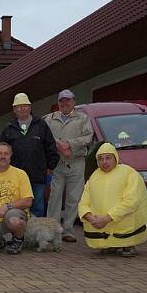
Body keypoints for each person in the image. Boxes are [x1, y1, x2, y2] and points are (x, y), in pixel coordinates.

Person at [78, 143, 147, 257]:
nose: (104, 162)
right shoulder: (93, 177)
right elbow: (83, 202)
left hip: (124, 225)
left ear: (115, 158)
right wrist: (91, 218)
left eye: (108, 158)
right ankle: (109, 244)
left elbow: (131, 201)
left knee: (127, 214)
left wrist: (107, 218)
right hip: (99, 225)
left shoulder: (129, 173)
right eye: (101, 159)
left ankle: (127, 244)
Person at [44, 89, 93, 242]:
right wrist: (60, 146)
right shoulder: (49, 119)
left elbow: (88, 137)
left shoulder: (83, 118)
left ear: (74, 102)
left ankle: (68, 230)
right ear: (58, 103)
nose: (64, 103)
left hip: (77, 162)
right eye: (61, 101)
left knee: (74, 197)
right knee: (55, 197)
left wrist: (70, 145)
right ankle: (52, 230)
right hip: (57, 164)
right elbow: (46, 138)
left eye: (68, 100)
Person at [0, 93, 59, 217]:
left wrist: (50, 167)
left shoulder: (41, 125)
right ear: (14, 109)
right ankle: (19, 233)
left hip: (38, 175)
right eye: (18, 106)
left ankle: (36, 234)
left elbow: (51, 146)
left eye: (25, 105)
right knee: (17, 206)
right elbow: (1, 150)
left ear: (30, 107)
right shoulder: (8, 128)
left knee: (38, 205)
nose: (22, 108)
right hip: (15, 177)